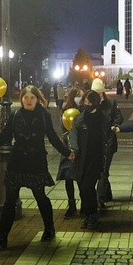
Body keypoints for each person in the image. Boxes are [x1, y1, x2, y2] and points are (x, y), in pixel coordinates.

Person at [0, 86, 73, 250]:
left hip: (36, 162)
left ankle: (49, 228)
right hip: (17, 162)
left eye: (32, 97)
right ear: (21, 99)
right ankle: (2, 237)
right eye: (25, 97)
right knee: (10, 201)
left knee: (40, 196)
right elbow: (3, 138)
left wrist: (67, 152)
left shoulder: (43, 115)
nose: (28, 100)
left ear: (37, 99)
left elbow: (52, 136)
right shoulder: (15, 115)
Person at [68, 90, 111, 229]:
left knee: (88, 187)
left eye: (90, 102)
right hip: (81, 158)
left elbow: (108, 137)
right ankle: (87, 215)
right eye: (86, 101)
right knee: (82, 188)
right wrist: (73, 149)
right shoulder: (80, 118)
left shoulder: (104, 118)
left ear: (96, 102)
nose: (88, 104)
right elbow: (73, 134)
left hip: (96, 158)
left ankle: (93, 215)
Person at [90, 78, 123, 207]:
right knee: (101, 171)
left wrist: (115, 125)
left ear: (102, 93)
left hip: (108, 141)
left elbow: (119, 116)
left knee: (103, 170)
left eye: (98, 94)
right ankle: (107, 193)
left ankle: (100, 199)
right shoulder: (89, 103)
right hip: (94, 143)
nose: (96, 96)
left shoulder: (111, 103)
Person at [57, 86, 84, 218]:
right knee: (68, 176)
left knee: (80, 177)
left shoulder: (84, 110)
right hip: (68, 146)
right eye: (78, 95)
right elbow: (63, 127)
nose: (80, 98)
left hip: (82, 147)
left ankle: (84, 203)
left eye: (81, 95)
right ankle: (71, 204)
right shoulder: (65, 109)